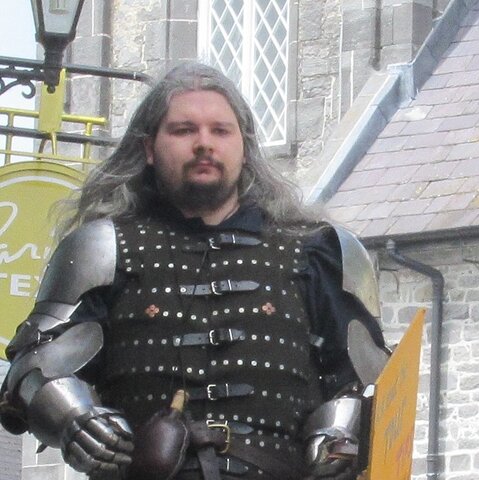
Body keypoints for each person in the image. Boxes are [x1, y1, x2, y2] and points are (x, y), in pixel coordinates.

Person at [0, 62, 387, 480]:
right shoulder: (101, 248)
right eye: (184, 130)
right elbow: (33, 371)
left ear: (244, 146)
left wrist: (338, 433)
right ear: (149, 148)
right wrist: (75, 418)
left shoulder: (316, 252)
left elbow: (371, 383)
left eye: (220, 131)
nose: (204, 144)